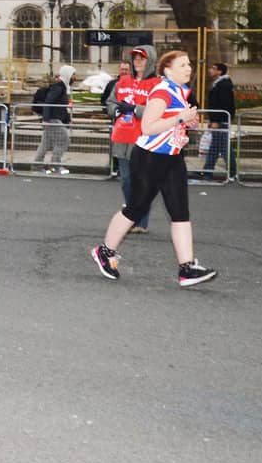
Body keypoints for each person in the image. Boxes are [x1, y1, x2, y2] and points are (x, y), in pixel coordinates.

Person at [92, 50, 218, 287]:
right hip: (149, 158)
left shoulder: (181, 92)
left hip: (172, 158)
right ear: (168, 71)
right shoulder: (162, 91)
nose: (188, 69)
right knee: (135, 209)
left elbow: (172, 125)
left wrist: (184, 129)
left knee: (180, 212)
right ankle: (104, 252)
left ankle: (187, 268)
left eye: (189, 64)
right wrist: (180, 119)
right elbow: (148, 127)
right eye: (182, 65)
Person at [106, 48, 156, 232]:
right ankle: (132, 217)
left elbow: (159, 110)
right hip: (122, 137)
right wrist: (118, 110)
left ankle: (141, 221)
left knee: (141, 181)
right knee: (126, 181)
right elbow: (110, 103)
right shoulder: (122, 82)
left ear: (150, 61)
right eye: (135, 58)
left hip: (143, 139)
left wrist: (134, 109)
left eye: (141, 58)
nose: (137, 61)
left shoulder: (156, 84)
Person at [33, 65, 76, 174]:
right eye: (73, 75)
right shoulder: (58, 87)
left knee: (45, 144)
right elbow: (48, 102)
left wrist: (68, 120)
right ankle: (55, 165)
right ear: (67, 75)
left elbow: (61, 107)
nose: (74, 77)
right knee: (64, 140)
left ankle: (37, 166)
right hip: (52, 120)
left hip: (54, 119)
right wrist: (46, 119)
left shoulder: (63, 87)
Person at [195, 61, 234, 177]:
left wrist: (216, 120)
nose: (210, 70)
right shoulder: (219, 84)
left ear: (219, 71)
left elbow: (223, 104)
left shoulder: (223, 85)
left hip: (221, 121)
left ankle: (231, 172)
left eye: (213, 68)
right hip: (219, 120)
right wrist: (212, 120)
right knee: (216, 148)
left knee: (223, 148)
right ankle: (208, 171)